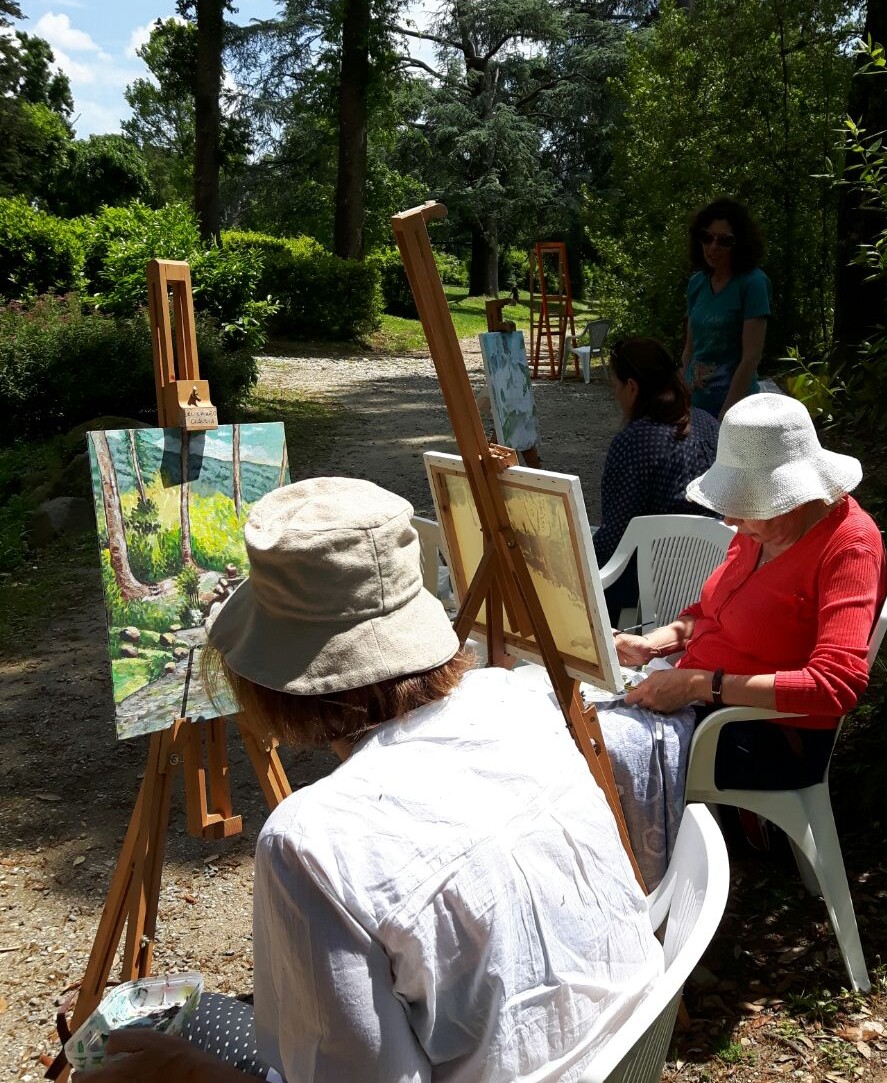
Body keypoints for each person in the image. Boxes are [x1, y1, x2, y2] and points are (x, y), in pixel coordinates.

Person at [88, 477, 662, 1083]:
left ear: (268, 674)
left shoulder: (311, 842)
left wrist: (184, 1073)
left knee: (165, 1036)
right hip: (629, 1057)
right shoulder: (515, 700)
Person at [607, 394, 885, 832]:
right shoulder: (765, 528)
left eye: (746, 505)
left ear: (796, 497)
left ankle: (642, 863)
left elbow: (835, 686)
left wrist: (699, 684)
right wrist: (652, 644)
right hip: (707, 704)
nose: (731, 520)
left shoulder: (849, 547)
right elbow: (712, 612)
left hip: (767, 734)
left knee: (603, 744)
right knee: (577, 714)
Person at [593, 336, 719, 624]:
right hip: (712, 569)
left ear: (632, 387)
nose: (616, 396)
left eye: (615, 387)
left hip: (653, 580)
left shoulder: (634, 441)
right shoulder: (708, 423)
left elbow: (616, 534)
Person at [681, 198, 771, 420]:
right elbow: (690, 349)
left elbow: (751, 357)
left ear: (740, 243)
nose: (713, 247)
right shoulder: (696, 283)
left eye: (725, 241)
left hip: (736, 409)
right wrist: (682, 398)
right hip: (696, 405)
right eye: (707, 237)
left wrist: (727, 413)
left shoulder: (753, 283)